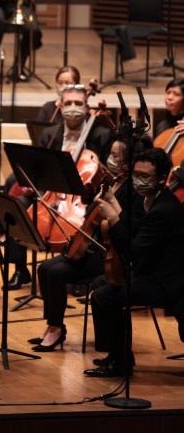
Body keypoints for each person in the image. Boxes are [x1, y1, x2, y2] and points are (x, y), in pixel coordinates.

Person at [28, 137, 143, 352]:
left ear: (128, 162)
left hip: (109, 254)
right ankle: (53, 325)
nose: (109, 158)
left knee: (54, 273)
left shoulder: (131, 190)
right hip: (93, 246)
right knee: (44, 268)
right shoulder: (111, 180)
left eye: (115, 155)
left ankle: (56, 330)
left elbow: (125, 224)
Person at [4, 84, 115, 290]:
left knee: (92, 218)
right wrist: (33, 185)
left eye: (78, 103)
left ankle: (82, 273)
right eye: (68, 103)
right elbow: (40, 167)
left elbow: (109, 172)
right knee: (18, 206)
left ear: (87, 107)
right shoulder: (50, 133)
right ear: (60, 106)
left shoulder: (102, 134)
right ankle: (20, 269)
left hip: (86, 197)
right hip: (52, 194)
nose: (73, 107)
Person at [85, 148, 184, 377]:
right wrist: (115, 204)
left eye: (145, 177)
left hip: (167, 283)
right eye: (135, 175)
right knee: (101, 283)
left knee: (103, 297)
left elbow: (133, 250)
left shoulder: (164, 209)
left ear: (161, 179)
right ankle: (119, 355)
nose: (138, 181)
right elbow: (136, 232)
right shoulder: (150, 199)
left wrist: (111, 216)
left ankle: (119, 364)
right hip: (151, 273)